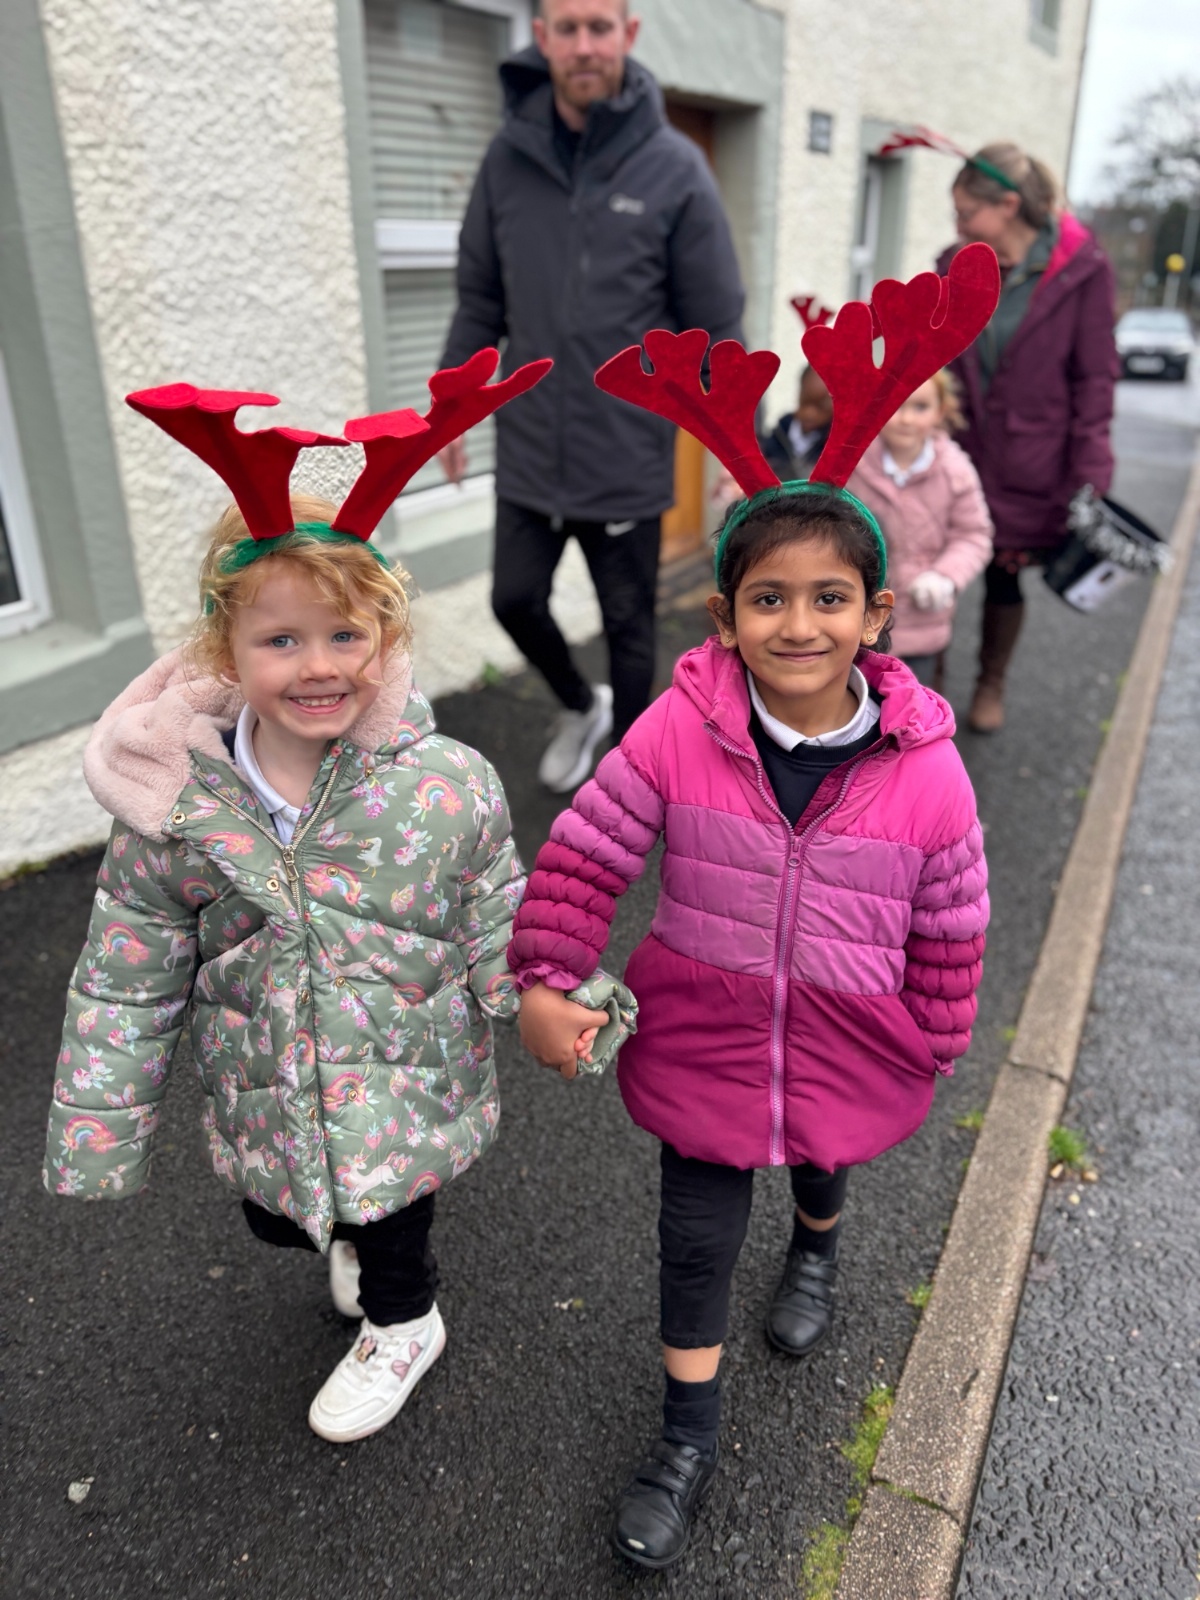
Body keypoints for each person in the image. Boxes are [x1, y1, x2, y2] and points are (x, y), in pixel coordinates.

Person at [510, 483, 988, 1566]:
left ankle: (815, 1248)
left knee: (822, 1156)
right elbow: (589, 850)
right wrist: (547, 973)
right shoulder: (679, 729)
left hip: (848, 1037)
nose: (799, 624)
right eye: (769, 598)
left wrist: (934, 1035)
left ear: (875, 615)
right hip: (704, 1041)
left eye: (830, 597)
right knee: (694, 1241)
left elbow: (954, 916)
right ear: (725, 619)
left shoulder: (927, 768)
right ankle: (687, 1436)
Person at [438, 0, 745, 791]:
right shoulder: (507, 159)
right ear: (541, 37)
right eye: (567, 28)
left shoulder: (675, 167)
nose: (584, 46)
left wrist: (732, 442)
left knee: (628, 625)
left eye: (599, 27)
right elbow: (480, 299)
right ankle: (581, 705)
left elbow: (714, 319)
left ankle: (631, 782)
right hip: (530, 444)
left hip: (625, 449)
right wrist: (452, 405)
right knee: (514, 599)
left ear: (628, 35)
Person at [939, 142, 1118, 732]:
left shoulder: (1082, 271)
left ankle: (990, 681)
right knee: (931, 566)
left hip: (1031, 454)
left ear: (1009, 205)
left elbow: (1095, 379)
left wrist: (1090, 470)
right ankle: (921, 686)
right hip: (959, 446)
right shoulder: (954, 265)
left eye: (968, 213)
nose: (959, 226)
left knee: (1004, 572)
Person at [847, 371, 993, 687]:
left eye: (920, 407)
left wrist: (945, 576)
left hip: (921, 622)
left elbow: (974, 534)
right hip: (858, 616)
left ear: (941, 411)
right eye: (896, 406)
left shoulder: (955, 471)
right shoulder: (853, 462)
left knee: (914, 700)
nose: (906, 419)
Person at [761, 364, 833, 482]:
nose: (809, 413)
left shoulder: (831, 448)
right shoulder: (779, 434)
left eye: (821, 407)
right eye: (805, 401)